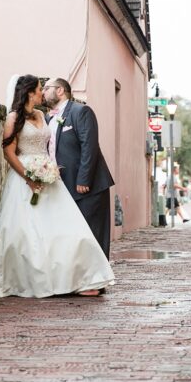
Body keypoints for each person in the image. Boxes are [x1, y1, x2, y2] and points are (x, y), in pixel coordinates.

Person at [0, 75, 114, 298]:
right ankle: (37, 280)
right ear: (29, 92)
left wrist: (49, 171)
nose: (42, 92)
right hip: (24, 178)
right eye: (39, 89)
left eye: (45, 88)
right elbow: (8, 152)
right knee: (29, 234)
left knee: (70, 232)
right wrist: (28, 176)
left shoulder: (44, 115)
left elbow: (80, 146)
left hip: (50, 179)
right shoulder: (13, 118)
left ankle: (83, 278)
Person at [42, 78, 115, 259]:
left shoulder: (81, 111)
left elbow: (89, 146)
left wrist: (84, 179)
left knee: (92, 235)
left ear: (60, 90)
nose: (42, 92)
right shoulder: (46, 118)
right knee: (72, 237)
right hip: (61, 187)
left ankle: (97, 280)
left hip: (88, 187)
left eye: (46, 88)